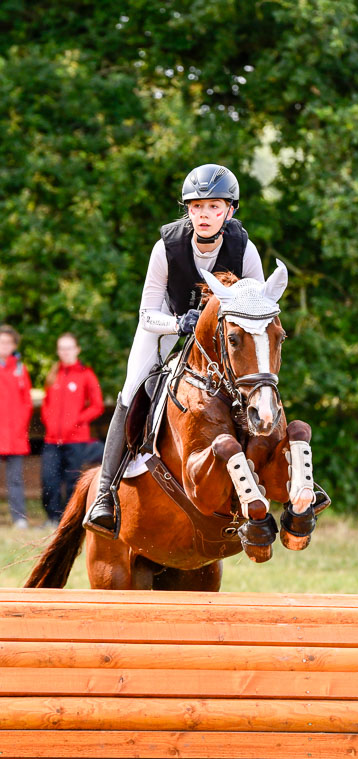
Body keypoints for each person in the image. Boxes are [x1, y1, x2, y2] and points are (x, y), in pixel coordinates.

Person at [84, 163, 265, 536]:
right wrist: (178, 323)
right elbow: (147, 313)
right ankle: (105, 492)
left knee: (258, 381)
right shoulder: (166, 246)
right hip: (165, 326)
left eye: (214, 207)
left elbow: (258, 310)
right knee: (132, 386)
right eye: (197, 207)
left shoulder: (244, 247)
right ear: (188, 210)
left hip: (218, 336)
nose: (204, 215)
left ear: (229, 210)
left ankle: (279, 471)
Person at [41, 333, 104, 523]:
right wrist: (49, 422)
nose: (65, 352)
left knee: (71, 482)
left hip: (76, 439)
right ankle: (51, 518)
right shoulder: (54, 375)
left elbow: (97, 406)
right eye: (62, 348)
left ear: (77, 349)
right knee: (49, 481)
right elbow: (46, 404)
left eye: (69, 348)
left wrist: (77, 421)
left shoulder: (86, 374)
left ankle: (67, 519)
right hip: (52, 440)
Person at [0, 325, 32, 529]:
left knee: (15, 481)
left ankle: (19, 518)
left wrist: (20, 427)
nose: (4, 346)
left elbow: (26, 403)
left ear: (14, 345)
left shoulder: (21, 370)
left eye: (7, 342)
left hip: (15, 436)